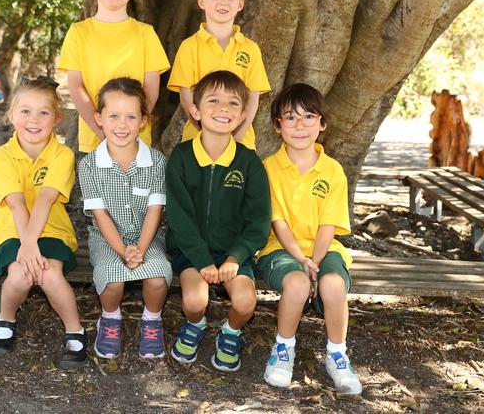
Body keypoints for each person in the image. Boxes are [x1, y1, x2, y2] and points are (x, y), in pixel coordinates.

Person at [256, 83, 362, 394]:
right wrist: (301, 261)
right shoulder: (269, 168)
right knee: (298, 283)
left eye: (308, 117)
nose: (300, 126)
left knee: (332, 284)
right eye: (290, 118)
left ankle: (337, 354)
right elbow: (279, 223)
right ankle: (283, 349)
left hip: (324, 249)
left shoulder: (333, 171)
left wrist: (315, 261)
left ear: (322, 124)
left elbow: (328, 226)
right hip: (280, 249)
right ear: (278, 126)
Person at [165, 70, 271, 372]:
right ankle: (195, 326)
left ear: (241, 116)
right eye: (213, 100)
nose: (223, 109)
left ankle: (231, 332)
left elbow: (258, 221)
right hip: (191, 253)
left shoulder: (249, 163)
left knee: (245, 302)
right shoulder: (182, 158)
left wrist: (235, 257)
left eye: (233, 103)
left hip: (233, 255)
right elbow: (179, 218)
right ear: (195, 110)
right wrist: (201, 261)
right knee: (195, 302)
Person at [0, 75, 87, 370]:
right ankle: (5, 319)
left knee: (49, 274)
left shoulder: (63, 154)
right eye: (25, 111)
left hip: (52, 230)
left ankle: (75, 331)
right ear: (11, 115)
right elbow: (16, 204)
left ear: (57, 119)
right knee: (18, 275)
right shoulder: (2, 156)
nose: (34, 119)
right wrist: (26, 245)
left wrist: (33, 246)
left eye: (43, 112)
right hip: (12, 232)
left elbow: (45, 201)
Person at [79, 78, 172, 359]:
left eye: (131, 116)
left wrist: (141, 250)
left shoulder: (155, 161)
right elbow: (100, 215)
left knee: (157, 277)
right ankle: (110, 318)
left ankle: (152, 321)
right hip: (106, 239)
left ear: (143, 120)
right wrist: (122, 251)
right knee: (112, 281)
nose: (122, 125)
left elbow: (155, 211)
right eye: (114, 116)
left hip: (147, 237)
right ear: (99, 118)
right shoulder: (89, 165)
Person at [57, 0, 170, 156]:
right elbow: (75, 86)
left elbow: (151, 88)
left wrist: (129, 128)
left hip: (137, 142)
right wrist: (103, 131)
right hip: (94, 142)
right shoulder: (78, 32)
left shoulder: (145, 33)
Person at [167, 0, 270, 150]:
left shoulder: (250, 49)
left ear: (240, 4)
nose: (223, 2)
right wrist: (205, 133)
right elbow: (186, 96)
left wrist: (236, 138)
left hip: (240, 142)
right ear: (201, 1)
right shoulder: (189, 46)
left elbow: (253, 99)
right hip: (197, 140)